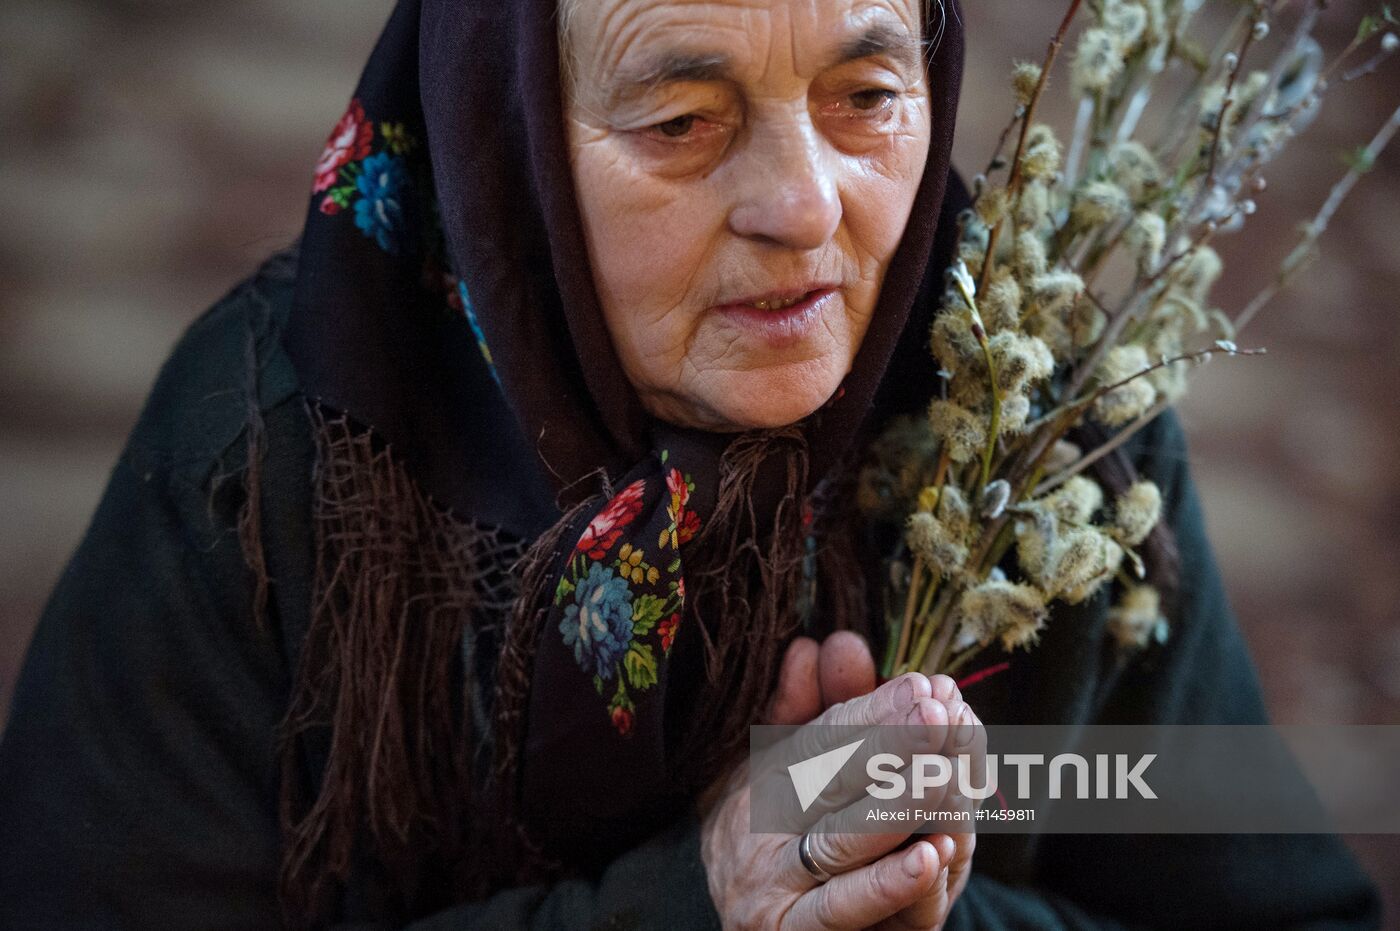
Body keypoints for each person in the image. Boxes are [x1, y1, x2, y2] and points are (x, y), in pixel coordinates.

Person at [0, 0, 1382, 928]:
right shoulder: (277, 465)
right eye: (680, 124)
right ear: (508, 140)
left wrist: (914, 893)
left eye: (866, 96)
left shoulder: (1042, 438)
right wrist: (701, 900)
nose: (802, 208)